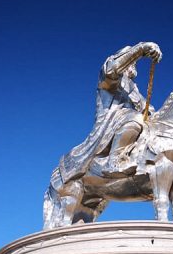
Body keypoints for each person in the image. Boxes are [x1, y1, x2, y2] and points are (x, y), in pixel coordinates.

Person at [59, 42, 162, 182]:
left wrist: (151, 112)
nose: (133, 64)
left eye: (135, 63)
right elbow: (112, 70)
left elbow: (145, 106)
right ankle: (114, 161)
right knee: (136, 119)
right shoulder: (109, 72)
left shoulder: (133, 87)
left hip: (126, 124)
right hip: (110, 124)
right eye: (132, 61)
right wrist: (140, 49)